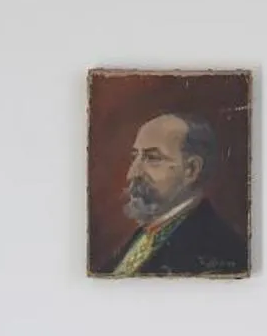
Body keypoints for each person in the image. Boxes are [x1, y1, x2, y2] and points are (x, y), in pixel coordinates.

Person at [106, 113, 248, 277]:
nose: (131, 174)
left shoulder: (220, 250)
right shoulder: (146, 233)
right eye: (135, 156)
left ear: (192, 170)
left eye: (152, 158)